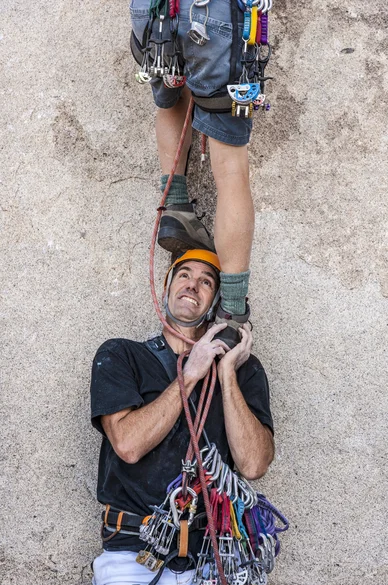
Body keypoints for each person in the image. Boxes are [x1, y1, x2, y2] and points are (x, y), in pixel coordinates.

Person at [90, 249, 274, 585]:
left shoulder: (243, 371)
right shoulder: (121, 356)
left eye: (206, 281)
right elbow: (128, 445)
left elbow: (253, 464)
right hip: (133, 554)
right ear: (166, 287)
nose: (192, 285)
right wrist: (189, 373)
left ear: (217, 302)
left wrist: (225, 375)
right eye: (184, 275)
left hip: (213, 557)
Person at [129, 0, 263, 347]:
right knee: (231, 167)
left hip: (152, 10)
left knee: (171, 93)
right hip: (214, 14)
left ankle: (174, 206)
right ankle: (232, 311)